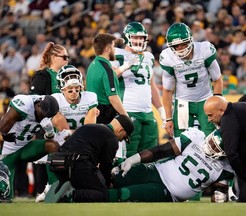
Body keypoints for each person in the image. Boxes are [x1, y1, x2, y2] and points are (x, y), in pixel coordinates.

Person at [109, 127, 234, 202]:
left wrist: (221, 194)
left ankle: (90, 197)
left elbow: (219, 196)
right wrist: (133, 159)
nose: (210, 147)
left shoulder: (225, 169)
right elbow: (160, 151)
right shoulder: (196, 138)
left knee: (124, 193)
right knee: (115, 178)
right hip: (155, 171)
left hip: (168, 192)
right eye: (212, 142)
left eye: (215, 147)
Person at [34, 65, 99, 202]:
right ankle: (51, 186)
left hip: (85, 140)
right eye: (70, 90)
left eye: (76, 89)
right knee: (51, 145)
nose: (74, 92)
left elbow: (89, 128)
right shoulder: (55, 99)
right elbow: (63, 129)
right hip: (62, 141)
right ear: (61, 87)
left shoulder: (90, 96)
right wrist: (72, 133)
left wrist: (74, 133)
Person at [44, 114, 135, 203]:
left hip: (57, 164)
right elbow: (105, 167)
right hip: (77, 164)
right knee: (102, 194)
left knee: (87, 184)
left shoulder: (89, 126)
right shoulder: (111, 138)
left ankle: (62, 186)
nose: (121, 140)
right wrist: (107, 184)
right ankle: (69, 194)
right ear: (121, 130)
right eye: (124, 137)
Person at [111, 22, 165, 158]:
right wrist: (124, 67)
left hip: (148, 113)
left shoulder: (148, 57)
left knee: (150, 153)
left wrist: (161, 111)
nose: (139, 40)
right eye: (135, 37)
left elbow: (151, 86)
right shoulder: (117, 54)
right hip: (127, 111)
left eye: (141, 38)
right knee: (129, 154)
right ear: (127, 37)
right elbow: (108, 79)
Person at [159, 22, 223, 138]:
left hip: (205, 99)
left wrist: (216, 103)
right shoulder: (168, 58)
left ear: (190, 40)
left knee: (212, 137)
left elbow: (217, 79)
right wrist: (168, 118)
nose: (180, 48)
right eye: (176, 46)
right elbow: (167, 90)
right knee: (182, 139)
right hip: (183, 101)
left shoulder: (204, 50)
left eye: (183, 44)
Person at [0, 95, 66, 201]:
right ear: (38, 105)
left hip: (26, 147)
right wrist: (6, 134)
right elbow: (2, 128)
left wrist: (49, 131)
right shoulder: (24, 105)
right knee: (5, 197)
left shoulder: (48, 107)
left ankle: (54, 188)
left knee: (53, 146)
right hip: (9, 151)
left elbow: (50, 138)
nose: (45, 118)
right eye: (44, 115)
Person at [29, 41, 69, 199]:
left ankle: (58, 190)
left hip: (63, 124)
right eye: (64, 57)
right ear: (53, 57)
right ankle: (41, 193)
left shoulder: (67, 74)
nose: (67, 60)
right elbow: (35, 101)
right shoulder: (43, 75)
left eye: (68, 57)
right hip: (46, 125)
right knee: (43, 160)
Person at [86, 33, 128, 124]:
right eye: (113, 46)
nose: (114, 50)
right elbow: (113, 98)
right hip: (104, 117)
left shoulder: (92, 65)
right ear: (107, 49)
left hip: (94, 114)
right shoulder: (107, 70)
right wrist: (126, 118)